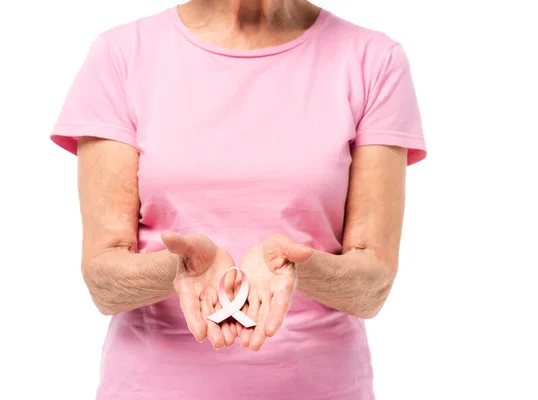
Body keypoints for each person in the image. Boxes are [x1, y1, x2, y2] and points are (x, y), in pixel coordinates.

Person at [50, 0, 427, 399]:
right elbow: (102, 280)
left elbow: (373, 285)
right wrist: (175, 269)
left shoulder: (374, 60)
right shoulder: (121, 54)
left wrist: (298, 267)